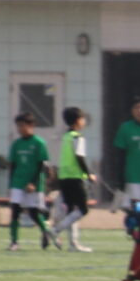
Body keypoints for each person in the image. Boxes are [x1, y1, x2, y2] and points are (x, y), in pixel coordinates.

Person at [3, 112, 54, 251]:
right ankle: (14, 242)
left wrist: (33, 183)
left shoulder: (39, 143)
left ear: (31, 125)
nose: (19, 129)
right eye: (18, 126)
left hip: (33, 184)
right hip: (18, 183)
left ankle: (45, 231)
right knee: (15, 210)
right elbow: (13, 165)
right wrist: (10, 185)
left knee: (33, 213)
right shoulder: (16, 144)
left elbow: (41, 165)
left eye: (22, 125)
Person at [50, 106, 96, 250]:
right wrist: (88, 174)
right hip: (74, 178)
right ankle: (56, 230)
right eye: (83, 119)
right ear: (78, 121)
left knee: (71, 211)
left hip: (64, 177)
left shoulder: (66, 136)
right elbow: (80, 157)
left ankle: (73, 244)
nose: (84, 122)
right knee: (83, 209)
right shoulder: (77, 137)